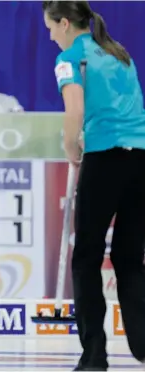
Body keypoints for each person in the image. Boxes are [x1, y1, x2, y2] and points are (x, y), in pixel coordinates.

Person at [43, 1, 145, 370]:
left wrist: (71, 148)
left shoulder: (71, 58)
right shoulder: (119, 53)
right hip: (141, 158)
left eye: (51, 27)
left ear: (65, 23)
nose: (50, 35)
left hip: (105, 158)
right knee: (130, 257)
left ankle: (95, 353)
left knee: (86, 255)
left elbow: (75, 112)